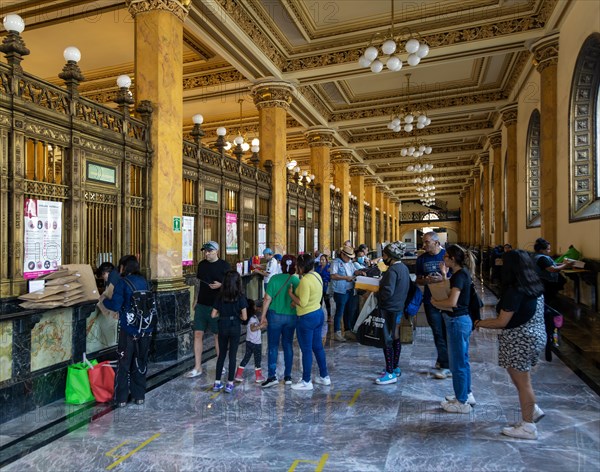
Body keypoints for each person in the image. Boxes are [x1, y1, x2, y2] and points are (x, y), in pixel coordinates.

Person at [475, 250, 546, 439]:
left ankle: (528, 427)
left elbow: (501, 321)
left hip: (520, 339)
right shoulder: (534, 284)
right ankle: (531, 411)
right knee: (520, 379)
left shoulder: (516, 290)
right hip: (535, 335)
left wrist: (479, 323)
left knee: (524, 383)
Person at [102, 255, 152, 407]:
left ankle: (121, 398)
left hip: (128, 329)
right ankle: (139, 396)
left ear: (123, 267)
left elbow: (115, 305)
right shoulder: (145, 282)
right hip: (145, 328)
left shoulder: (122, 283)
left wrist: (104, 299)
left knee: (124, 363)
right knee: (140, 361)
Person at [431, 244, 475, 414]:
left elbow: (452, 302)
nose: (443, 259)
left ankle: (461, 402)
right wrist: (443, 275)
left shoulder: (459, 276)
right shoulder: (460, 274)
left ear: (453, 259)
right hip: (461, 320)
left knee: (457, 364)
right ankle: (466, 393)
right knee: (463, 360)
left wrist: (435, 303)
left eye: (446, 257)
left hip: (457, 320)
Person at [185, 241, 230, 378]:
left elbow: (231, 285)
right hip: (202, 304)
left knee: (218, 335)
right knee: (198, 334)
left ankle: (220, 363)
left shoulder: (224, 265)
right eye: (205, 251)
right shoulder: (202, 265)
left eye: (209, 251)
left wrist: (221, 286)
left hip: (217, 305)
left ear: (216, 251)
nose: (207, 253)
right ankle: (197, 367)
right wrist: (195, 300)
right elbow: (199, 283)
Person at [288, 253, 330, 390]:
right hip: (318, 314)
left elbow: (303, 302)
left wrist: (291, 295)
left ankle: (306, 381)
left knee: (306, 350)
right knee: (317, 347)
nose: (296, 268)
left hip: (306, 317)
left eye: (297, 266)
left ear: (302, 266)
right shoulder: (316, 275)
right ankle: (324, 376)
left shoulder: (305, 281)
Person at [259, 255, 300, 388]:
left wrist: (263, 316)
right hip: (291, 317)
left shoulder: (274, 279)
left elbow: (267, 300)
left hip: (275, 316)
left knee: (273, 346)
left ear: (281, 265)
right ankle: (288, 376)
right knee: (288, 344)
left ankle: (272, 376)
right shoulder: (296, 280)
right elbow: (299, 300)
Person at [416, 231, 451, 379]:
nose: (424, 245)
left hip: (448, 299)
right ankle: (444, 362)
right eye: (423, 242)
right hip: (431, 300)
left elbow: (456, 276)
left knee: (447, 331)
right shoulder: (422, 259)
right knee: (437, 331)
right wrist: (427, 280)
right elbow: (418, 279)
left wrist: (442, 278)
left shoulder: (447, 256)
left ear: (436, 242)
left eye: (427, 242)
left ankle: (447, 363)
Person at [532, 238, 574, 360]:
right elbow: (551, 269)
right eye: (548, 249)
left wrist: (564, 264)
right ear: (542, 249)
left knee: (545, 304)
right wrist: (565, 265)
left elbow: (553, 265)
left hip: (540, 284)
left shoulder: (536, 257)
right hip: (546, 284)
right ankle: (548, 327)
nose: (550, 251)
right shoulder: (542, 258)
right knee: (547, 305)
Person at [375, 242, 410, 385]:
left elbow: (387, 292)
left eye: (384, 255)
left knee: (387, 339)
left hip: (389, 309)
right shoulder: (403, 268)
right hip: (398, 307)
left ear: (391, 256)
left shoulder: (392, 271)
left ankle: (389, 373)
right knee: (395, 336)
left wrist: (376, 293)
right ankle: (395, 367)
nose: (383, 257)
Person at [210, 271, 248, 393]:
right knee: (233, 355)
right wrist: (237, 316)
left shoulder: (220, 296)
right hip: (235, 326)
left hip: (223, 325)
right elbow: (245, 317)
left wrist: (223, 314)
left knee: (221, 355)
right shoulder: (240, 296)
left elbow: (213, 315)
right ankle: (230, 383)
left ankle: (217, 383)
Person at [330, 246, 364, 342]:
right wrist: (345, 278)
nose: (349, 259)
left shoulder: (349, 262)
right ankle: (337, 332)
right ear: (342, 254)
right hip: (340, 291)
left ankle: (348, 330)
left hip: (350, 289)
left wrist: (360, 272)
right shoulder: (336, 262)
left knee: (349, 311)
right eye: (348, 256)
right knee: (340, 311)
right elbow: (333, 275)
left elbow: (353, 271)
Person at [234, 299, 265, 383]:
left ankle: (238, 374)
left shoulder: (250, 317)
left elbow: (259, 310)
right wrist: (261, 326)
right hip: (256, 343)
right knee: (257, 360)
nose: (256, 307)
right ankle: (258, 376)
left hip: (249, 342)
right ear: (251, 308)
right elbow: (253, 328)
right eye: (254, 305)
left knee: (246, 358)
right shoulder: (252, 318)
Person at [315, 254, 332, 320]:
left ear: (326, 260)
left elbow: (330, 277)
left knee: (327, 301)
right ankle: (319, 315)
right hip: (319, 286)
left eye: (323, 260)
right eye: (320, 260)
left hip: (326, 286)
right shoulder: (318, 268)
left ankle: (329, 316)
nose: (321, 261)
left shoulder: (329, 267)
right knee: (319, 302)